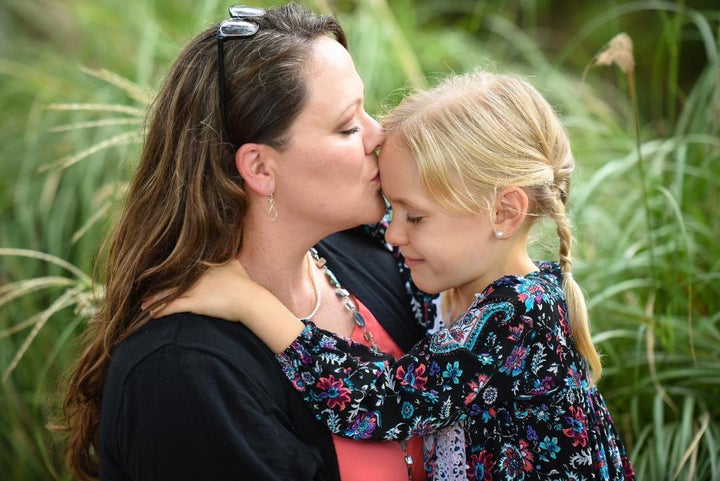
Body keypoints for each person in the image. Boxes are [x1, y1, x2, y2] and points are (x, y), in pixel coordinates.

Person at [156, 70, 637, 480]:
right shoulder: (454, 287)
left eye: (415, 217)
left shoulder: (519, 314)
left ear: (504, 212)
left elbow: (385, 402)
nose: (392, 234)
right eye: (392, 207)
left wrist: (249, 302)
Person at [55, 3, 436, 481]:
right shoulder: (183, 374)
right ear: (259, 168)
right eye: (347, 126)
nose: (379, 136)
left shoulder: (373, 253)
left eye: (367, 110)